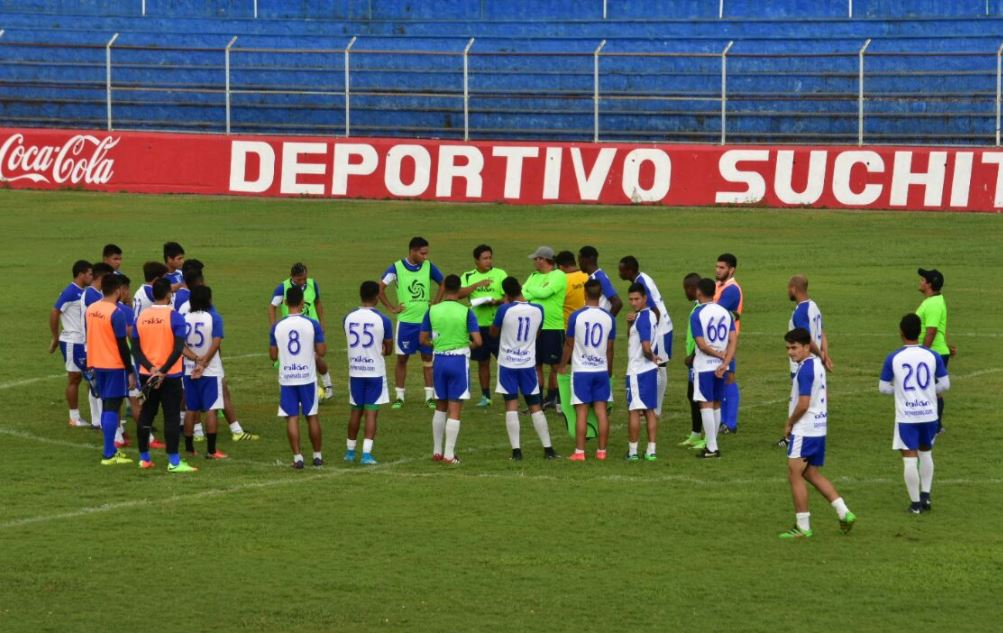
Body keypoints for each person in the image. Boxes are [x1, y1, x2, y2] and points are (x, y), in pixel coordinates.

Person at [779, 327, 856, 539]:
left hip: (805, 429)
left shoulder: (805, 370)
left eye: (794, 348)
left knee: (794, 474)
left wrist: (789, 423)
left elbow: (803, 403)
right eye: (788, 348)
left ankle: (803, 527)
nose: (791, 352)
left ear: (806, 346)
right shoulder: (816, 364)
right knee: (811, 473)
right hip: (819, 427)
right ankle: (844, 512)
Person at [879, 313, 950, 514]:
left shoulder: (893, 357)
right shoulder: (932, 355)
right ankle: (926, 496)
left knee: (909, 457)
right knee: (926, 451)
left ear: (901, 332)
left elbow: (883, 388)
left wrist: (899, 390)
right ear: (919, 332)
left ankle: (915, 504)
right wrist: (928, 391)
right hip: (929, 414)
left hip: (907, 416)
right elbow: (945, 384)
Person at [133, 278, 198, 473]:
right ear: (169, 294)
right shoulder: (175, 317)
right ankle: (174, 462)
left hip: (147, 375)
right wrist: (163, 370)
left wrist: (151, 368)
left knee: (146, 415)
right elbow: (178, 348)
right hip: (170, 376)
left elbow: (136, 350)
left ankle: (144, 458)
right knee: (171, 416)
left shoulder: (142, 317)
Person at [490, 277, 558, 461]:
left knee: (511, 405)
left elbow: (493, 333)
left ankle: (516, 452)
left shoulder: (504, 309)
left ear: (506, 294)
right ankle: (548, 449)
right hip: (528, 363)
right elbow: (537, 333)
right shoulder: (538, 309)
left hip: (508, 363)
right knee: (535, 405)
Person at [420, 274, 481, 465]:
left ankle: (437, 451)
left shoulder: (432, 310)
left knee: (440, 407)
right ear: (459, 288)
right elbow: (478, 341)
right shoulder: (466, 312)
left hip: (439, 361)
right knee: (455, 409)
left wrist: (437, 345)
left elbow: (422, 340)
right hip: (458, 361)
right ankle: (449, 454)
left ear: (444, 287)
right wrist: (464, 347)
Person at [379, 237, 445, 410]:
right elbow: (379, 287)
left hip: (426, 323)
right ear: (412, 251)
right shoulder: (396, 268)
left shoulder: (429, 266)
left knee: (428, 358)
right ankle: (399, 397)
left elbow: (443, 283)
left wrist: (436, 303)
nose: (425, 256)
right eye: (422, 253)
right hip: (406, 323)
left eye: (426, 253)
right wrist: (391, 307)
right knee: (402, 358)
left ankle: (429, 397)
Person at [270, 286, 327, 469]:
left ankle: (297, 458)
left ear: (285, 303)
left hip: (287, 378)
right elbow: (322, 351)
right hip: (307, 378)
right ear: (303, 303)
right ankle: (317, 456)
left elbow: (272, 355)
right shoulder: (312, 324)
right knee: (312, 417)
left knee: (292, 418)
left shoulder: (277, 326)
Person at [559, 279, 615, 461]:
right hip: (601, 370)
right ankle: (602, 452)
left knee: (581, 412)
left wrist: (561, 365)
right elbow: (610, 348)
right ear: (600, 295)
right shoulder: (609, 317)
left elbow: (569, 344)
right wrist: (609, 371)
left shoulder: (577, 316)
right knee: (601, 411)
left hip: (582, 371)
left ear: (584, 293)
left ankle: (580, 452)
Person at [84, 273, 135, 465]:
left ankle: (111, 449)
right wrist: (130, 370)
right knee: (112, 407)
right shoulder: (116, 313)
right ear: (117, 291)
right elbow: (123, 345)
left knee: (106, 405)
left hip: (96, 363)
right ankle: (108, 454)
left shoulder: (91, 309)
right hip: (114, 365)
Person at [777, 274, 833, 447]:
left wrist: (821, 355)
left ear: (794, 288)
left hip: (803, 362)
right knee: (814, 396)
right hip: (815, 362)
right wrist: (825, 354)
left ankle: (790, 436)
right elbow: (822, 332)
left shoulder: (801, 311)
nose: (788, 291)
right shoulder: (814, 305)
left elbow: (806, 338)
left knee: (798, 398)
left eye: (788, 288)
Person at [343, 281, 394, 465]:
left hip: (355, 371)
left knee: (355, 411)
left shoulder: (348, 317)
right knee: (371, 412)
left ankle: (349, 452)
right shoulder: (383, 320)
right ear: (376, 297)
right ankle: (366, 454)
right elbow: (388, 349)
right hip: (374, 372)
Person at [269, 262, 334, 400]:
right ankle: (289, 390)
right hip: (291, 331)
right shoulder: (283, 288)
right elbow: (272, 307)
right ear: (292, 277)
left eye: (304, 278)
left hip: (311, 330)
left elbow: (318, 302)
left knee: (316, 358)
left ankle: (327, 386)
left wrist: (322, 321)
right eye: (299, 279)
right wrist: (273, 326)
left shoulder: (312, 284)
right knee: (288, 360)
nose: (303, 281)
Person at [617, 256, 672, 417]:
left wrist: (650, 329)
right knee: (652, 364)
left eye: (621, 269)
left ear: (629, 270)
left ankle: (656, 408)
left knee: (659, 366)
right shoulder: (641, 279)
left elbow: (654, 310)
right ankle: (648, 405)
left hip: (661, 330)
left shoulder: (641, 282)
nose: (619, 272)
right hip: (659, 327)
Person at [690, 278, 737, 459]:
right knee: (716, 404)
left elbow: (701, 344)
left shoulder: (697, 314)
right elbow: (733, 340)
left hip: (704, 367)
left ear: (699, 292)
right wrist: (725, 361)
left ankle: (711, 447)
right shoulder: (725, 313)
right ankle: (713, 444)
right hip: (721, 367)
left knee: (706, 404)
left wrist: (718, 356)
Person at [458, 244, 507, 408]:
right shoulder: (467, 276)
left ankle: (509, 392)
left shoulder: (500, 274)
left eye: (490, 257)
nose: (488, 261)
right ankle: (486, 396)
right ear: (476, 261)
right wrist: (477, 285)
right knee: (482, 362)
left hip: (497, 325)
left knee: (505, 360)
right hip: (477, 326)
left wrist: (496, 301)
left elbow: (509, 297)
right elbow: (458, 294)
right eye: (485, 258)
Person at [182, 285, 228, 460]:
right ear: (209, 300)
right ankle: (211, 450)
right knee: (211, 409)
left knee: (190, 408)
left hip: (189, 368)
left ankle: (189, 449)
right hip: (210, 370)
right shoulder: (214, 318)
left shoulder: (184, 318)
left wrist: (195, 359)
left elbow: (179, 345)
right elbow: (216, 343)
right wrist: (205, 361)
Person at [523, 246, 567, 410]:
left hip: (552, 327)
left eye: (536, 258)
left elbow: (545, 293)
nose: (534, 261)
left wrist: (532, 292)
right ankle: (539, 401)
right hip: (534, 328)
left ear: (543, 259)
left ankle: (557, 399)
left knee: (556, 366)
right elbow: (523, 294)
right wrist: (535, 292)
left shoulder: (559, 275)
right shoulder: (533, 276)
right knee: (536, 365)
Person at [50, 259, 92, 428]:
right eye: (89, 274)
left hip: (83, 342)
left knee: (89, 377)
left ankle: (95, 416)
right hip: (71, 342)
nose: (92, 276)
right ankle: (74, 417)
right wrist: (55, 337)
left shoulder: (85, 291)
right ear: (81, 274)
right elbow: (54, 312)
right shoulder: (70, 292)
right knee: (75, 378)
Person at [625, 283, 662, 462]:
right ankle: (651, 451)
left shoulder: (643, 319)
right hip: (649, 371)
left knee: (634, 410)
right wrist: (630, 324)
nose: (633, 303)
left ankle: (633, 452)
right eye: (631, 299)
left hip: (637, 371)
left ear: (645, 298)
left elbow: (646, 346)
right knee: (650, 411)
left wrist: (652, 356)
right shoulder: (650, 316)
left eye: (637, 299)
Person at [916, 268, 955, 434]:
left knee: (931, 390)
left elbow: (931, 331)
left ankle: (935, 426)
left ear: (929, 284)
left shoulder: (932, 304)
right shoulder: (936, 300)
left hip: (934, 353)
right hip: (938, 351)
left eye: (923, 280)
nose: (920, 282)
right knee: (933, 390)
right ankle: (935, 425)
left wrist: (921, 353)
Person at [81, 262, 115, 429]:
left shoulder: (92, 293)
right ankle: (101, 420)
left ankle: (98, 419)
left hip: (93, 345)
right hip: (94, 346)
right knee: (98, 384)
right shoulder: (92, 296)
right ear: (101, 278)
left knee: (95, 383)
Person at [714, 253, 743, 433]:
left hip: (727, 341)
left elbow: (717, 311)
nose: (717, 270)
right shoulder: (719, 285)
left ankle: (729, 423)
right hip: (719, 339)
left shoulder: (731, 289)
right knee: (722, 377)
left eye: (722, 267)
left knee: (728, 377)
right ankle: (722, 419)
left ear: (731, 270)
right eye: (717, 267)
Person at [679, 273, 705, 449]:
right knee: (692, 395)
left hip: (699, 360)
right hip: (694, 361)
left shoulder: (700, 310)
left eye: (685, 289)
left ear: (694, 289)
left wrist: (693, 356)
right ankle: (696, 434)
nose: (684, 293)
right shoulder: (696, 307)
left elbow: (701, 337)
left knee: (701, 398)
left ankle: (706, 436)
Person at [578, 245, 623, 316]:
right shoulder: (594, 276)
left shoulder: (599, 277)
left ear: (588, 259)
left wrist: (608, 321)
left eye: (580, 259)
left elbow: (617, 303)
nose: (579, 263)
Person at [556, 250, 588, 328]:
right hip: (587, 324)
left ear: (561, 267)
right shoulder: (587, 275)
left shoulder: (562, 281)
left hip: (568, 327)